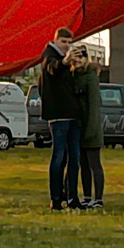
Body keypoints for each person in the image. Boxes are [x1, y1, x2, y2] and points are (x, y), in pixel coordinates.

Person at [39, 26, 82, 211]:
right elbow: (53, 68)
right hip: (59, 115)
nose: (66, 45)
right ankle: (56, 198)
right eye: (63, 42)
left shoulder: (63, 60)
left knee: (74, 157)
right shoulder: (49, 55)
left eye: (69, 42)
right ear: (56, 40)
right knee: (59, 156)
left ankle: (72, 197)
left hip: (72, 113)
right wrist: (66, 62)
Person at [68, 44, 105, 210]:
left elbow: (94, 105)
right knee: (83, 164)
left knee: (94, 164)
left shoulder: (91, 77)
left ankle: (98, 198)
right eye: (75, 57)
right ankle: (87, 196)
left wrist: (90, 130)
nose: (78, 60)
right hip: (78, 127)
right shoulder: (73, 76)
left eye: (81, 57)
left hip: (91, 128)